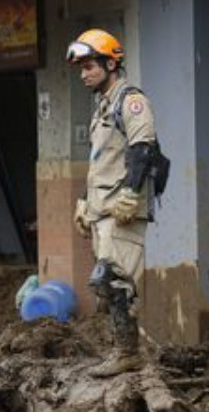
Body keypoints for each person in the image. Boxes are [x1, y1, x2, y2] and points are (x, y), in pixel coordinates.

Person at [67, 29, 158, 378]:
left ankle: (128, 355)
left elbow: (142, 149)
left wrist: (131, 194)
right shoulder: (102, 107)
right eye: (82, 67)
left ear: (110, 63)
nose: (84, 73)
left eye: (90, 66)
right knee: (108, 287)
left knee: (114, 280)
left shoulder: (130, 101)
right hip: (103, 211)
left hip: (123, 212)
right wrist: (85, 205)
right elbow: (102, 161)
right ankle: (123, 352)